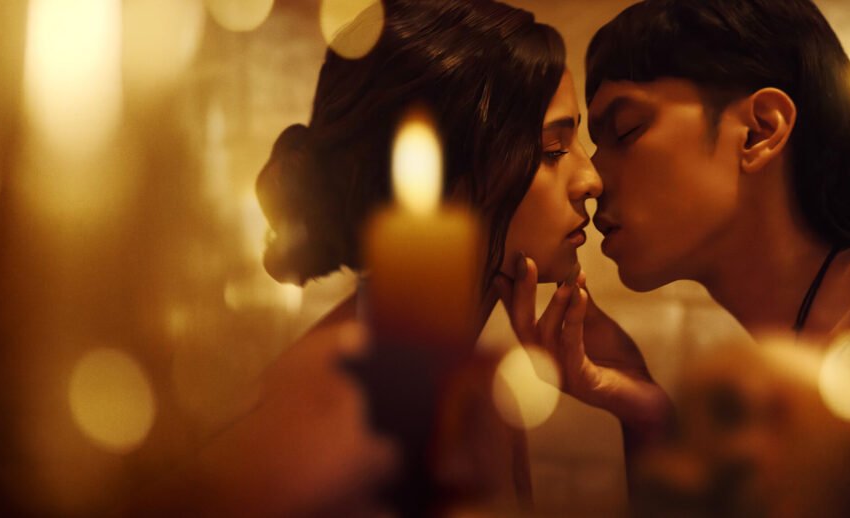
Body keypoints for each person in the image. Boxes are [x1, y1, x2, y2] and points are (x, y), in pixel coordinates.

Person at [495, 0, 850, 488]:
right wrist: (646, 415)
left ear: (759, 131)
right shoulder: (781, 356)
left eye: (626, 130)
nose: (593, 178)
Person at [251, 0, 601, 513]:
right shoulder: (342, 407)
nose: (591, 179)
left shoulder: (478, 396)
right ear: (438, 183)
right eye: (552, 151)